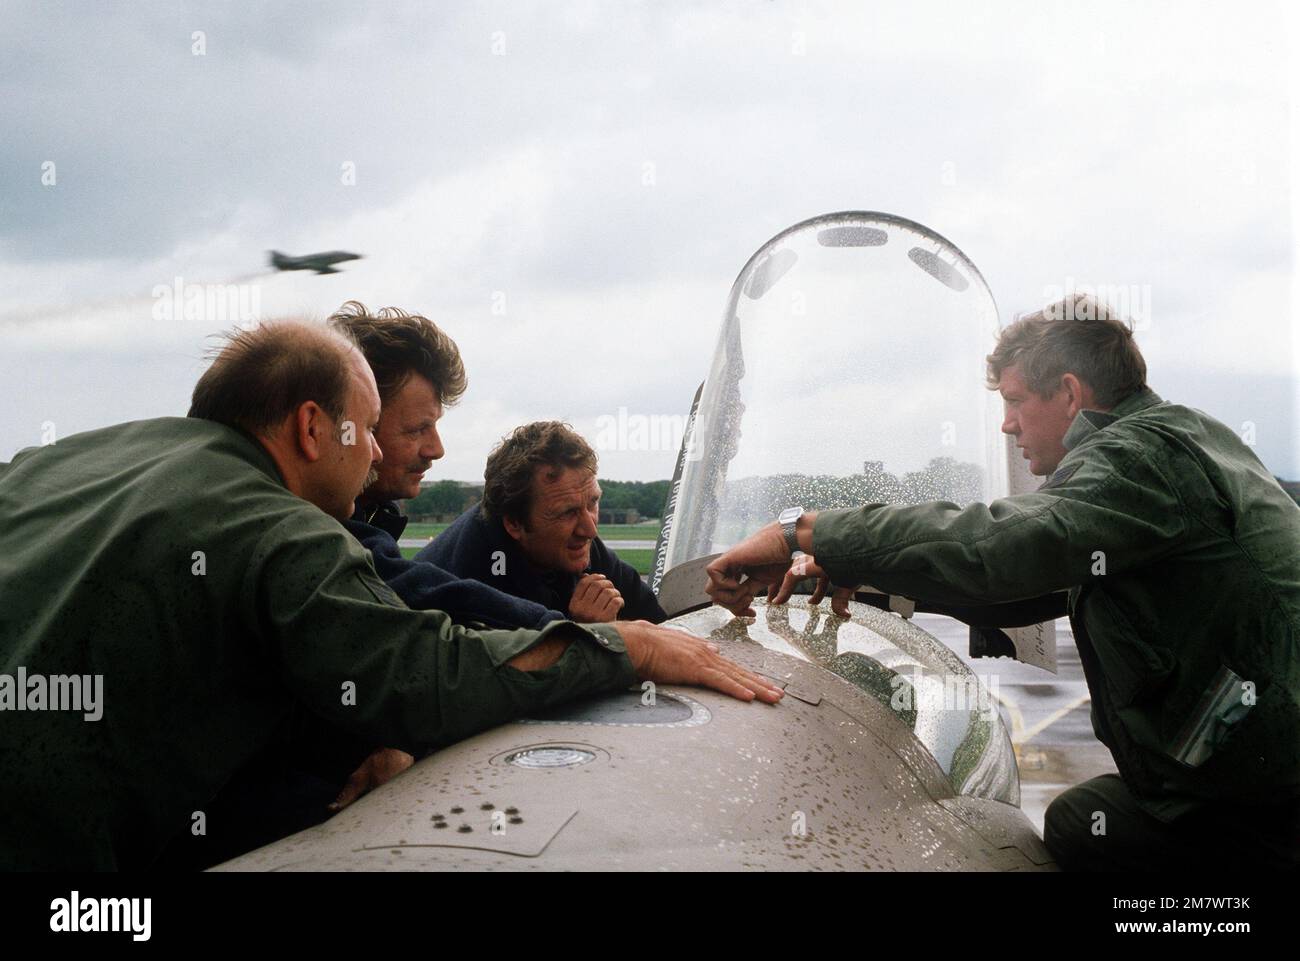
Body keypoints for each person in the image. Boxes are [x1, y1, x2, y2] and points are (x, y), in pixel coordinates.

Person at [0, 319, 782, 871]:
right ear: (313, 428)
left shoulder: (56, 463)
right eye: (371, 429)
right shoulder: (283, 528)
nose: (378, 453)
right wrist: (629, 646)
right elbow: (429, 675)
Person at [704, 294, 1300, 871]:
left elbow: (1000, 548)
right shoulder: (1182, 438)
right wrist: (854, 569)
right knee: (1093, 817)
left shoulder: (1140, 457)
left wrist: (803, 532)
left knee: (1090, 825)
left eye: (1015, 402)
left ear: (1069, 393)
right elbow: (1027, 586)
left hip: (1265, 800)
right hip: (1254, 774)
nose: (1008, 427)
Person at [422, 421, 667, 624]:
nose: (590, 529)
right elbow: (510, 675)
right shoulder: (470, 587)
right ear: (514, 524)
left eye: (592, 503)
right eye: (567, 513)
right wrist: (588, 635)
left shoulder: (577, 545)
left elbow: (663, 627)